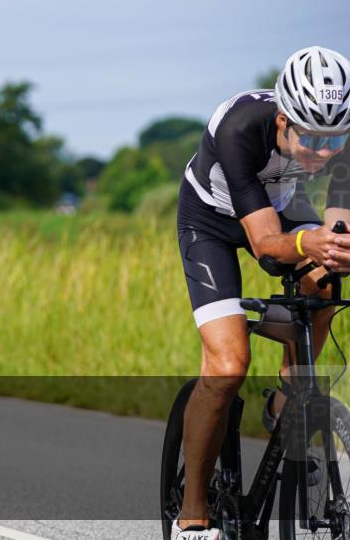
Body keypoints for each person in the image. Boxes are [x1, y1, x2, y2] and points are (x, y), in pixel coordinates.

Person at [174, 46, 350, 539]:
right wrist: (307, 241)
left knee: (325, 280)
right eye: (311, 137)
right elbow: (267, 245)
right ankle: (192, 513)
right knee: (228, 365)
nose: (323, 152)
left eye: (335, 139)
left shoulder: (339, 146)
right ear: (282, 120)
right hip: (210, 222)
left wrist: (336, 250)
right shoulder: (240, 128)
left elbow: (339, 231)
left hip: (280, 208)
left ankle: (291, 399)